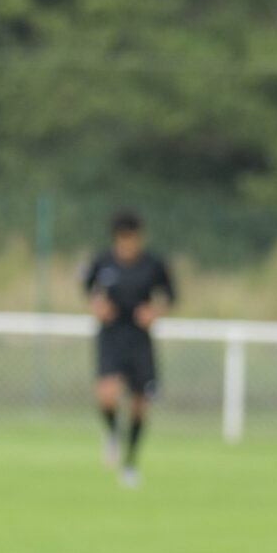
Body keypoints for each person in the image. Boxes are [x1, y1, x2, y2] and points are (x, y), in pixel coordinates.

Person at [84, 209, 177, 488]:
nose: (128, 244)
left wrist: (155, 311)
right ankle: (112, 434)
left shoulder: (153, 264)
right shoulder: (103, 262)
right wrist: (97, 305)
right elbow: (87, 287)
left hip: (139, 338)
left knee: (138, 406)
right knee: (108, 396)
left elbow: (171, 295)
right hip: (111, 336)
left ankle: (130, 464)